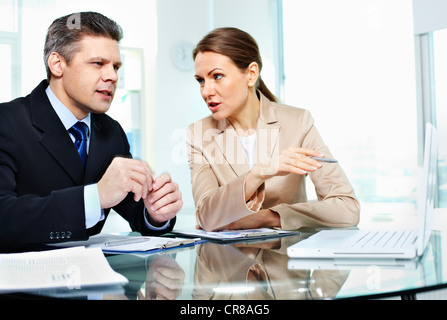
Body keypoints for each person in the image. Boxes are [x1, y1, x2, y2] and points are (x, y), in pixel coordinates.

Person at [0, 12, 182, 249]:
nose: (112, 76)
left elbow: (135, 209)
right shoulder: (7, 122)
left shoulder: (111, 131)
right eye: (98, 63)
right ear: (57, 64)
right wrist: (94, 198)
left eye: (116, 66)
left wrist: (156, 213)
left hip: (96, 277)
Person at [186, 27, 359, 231]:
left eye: (217, 76)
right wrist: (258, 173)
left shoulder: (297, 122)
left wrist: (270, 217)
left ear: (251, 74)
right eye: (200, 80)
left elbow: (347, 208)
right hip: (229, 260)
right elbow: (206, 217)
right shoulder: (199, 134)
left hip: (286, 258)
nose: (206, 91)